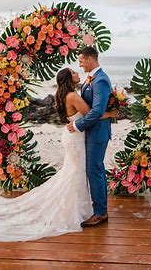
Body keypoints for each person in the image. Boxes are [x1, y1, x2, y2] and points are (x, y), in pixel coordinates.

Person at [0, 67, 116, 242]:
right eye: (74, 72)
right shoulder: (72, 96)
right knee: (76, 173)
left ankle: (80, 210)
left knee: (74, 172)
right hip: (75, 138)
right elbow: (92, 115)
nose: (77, 73)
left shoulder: (65, 94)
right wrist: (111, 113)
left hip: (72, 136)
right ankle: (75, 211)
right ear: (68, 78)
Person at [67, 47, 113, 227]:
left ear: (91, 59)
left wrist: (77, 125)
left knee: (94, 170)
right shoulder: (91, 78)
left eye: (81, 60)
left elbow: (97, 111)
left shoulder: (100, 80)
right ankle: (101, 210)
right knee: (96, 170)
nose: (79, 64)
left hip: (98, 132)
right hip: (93, 131)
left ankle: (100, 213)